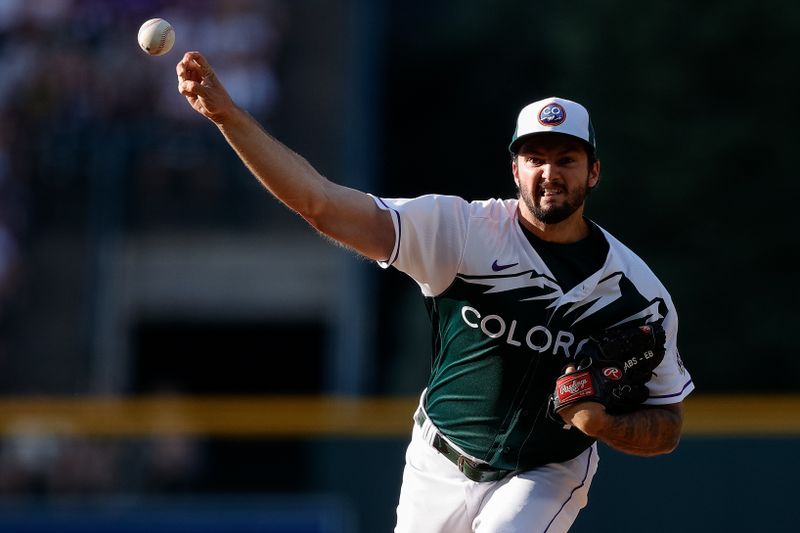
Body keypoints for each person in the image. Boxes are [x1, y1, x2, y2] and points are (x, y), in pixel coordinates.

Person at [177, 51, 694, 532]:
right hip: (438, 456)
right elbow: (322, 205)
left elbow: (668, 425)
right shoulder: (462, 231)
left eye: (567, 159)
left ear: (594, 171)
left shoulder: (636, 295)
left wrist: (602, 423)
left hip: (545, 470)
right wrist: (230, 119)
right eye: (535, 157)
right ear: (515, 169)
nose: (549, 173)